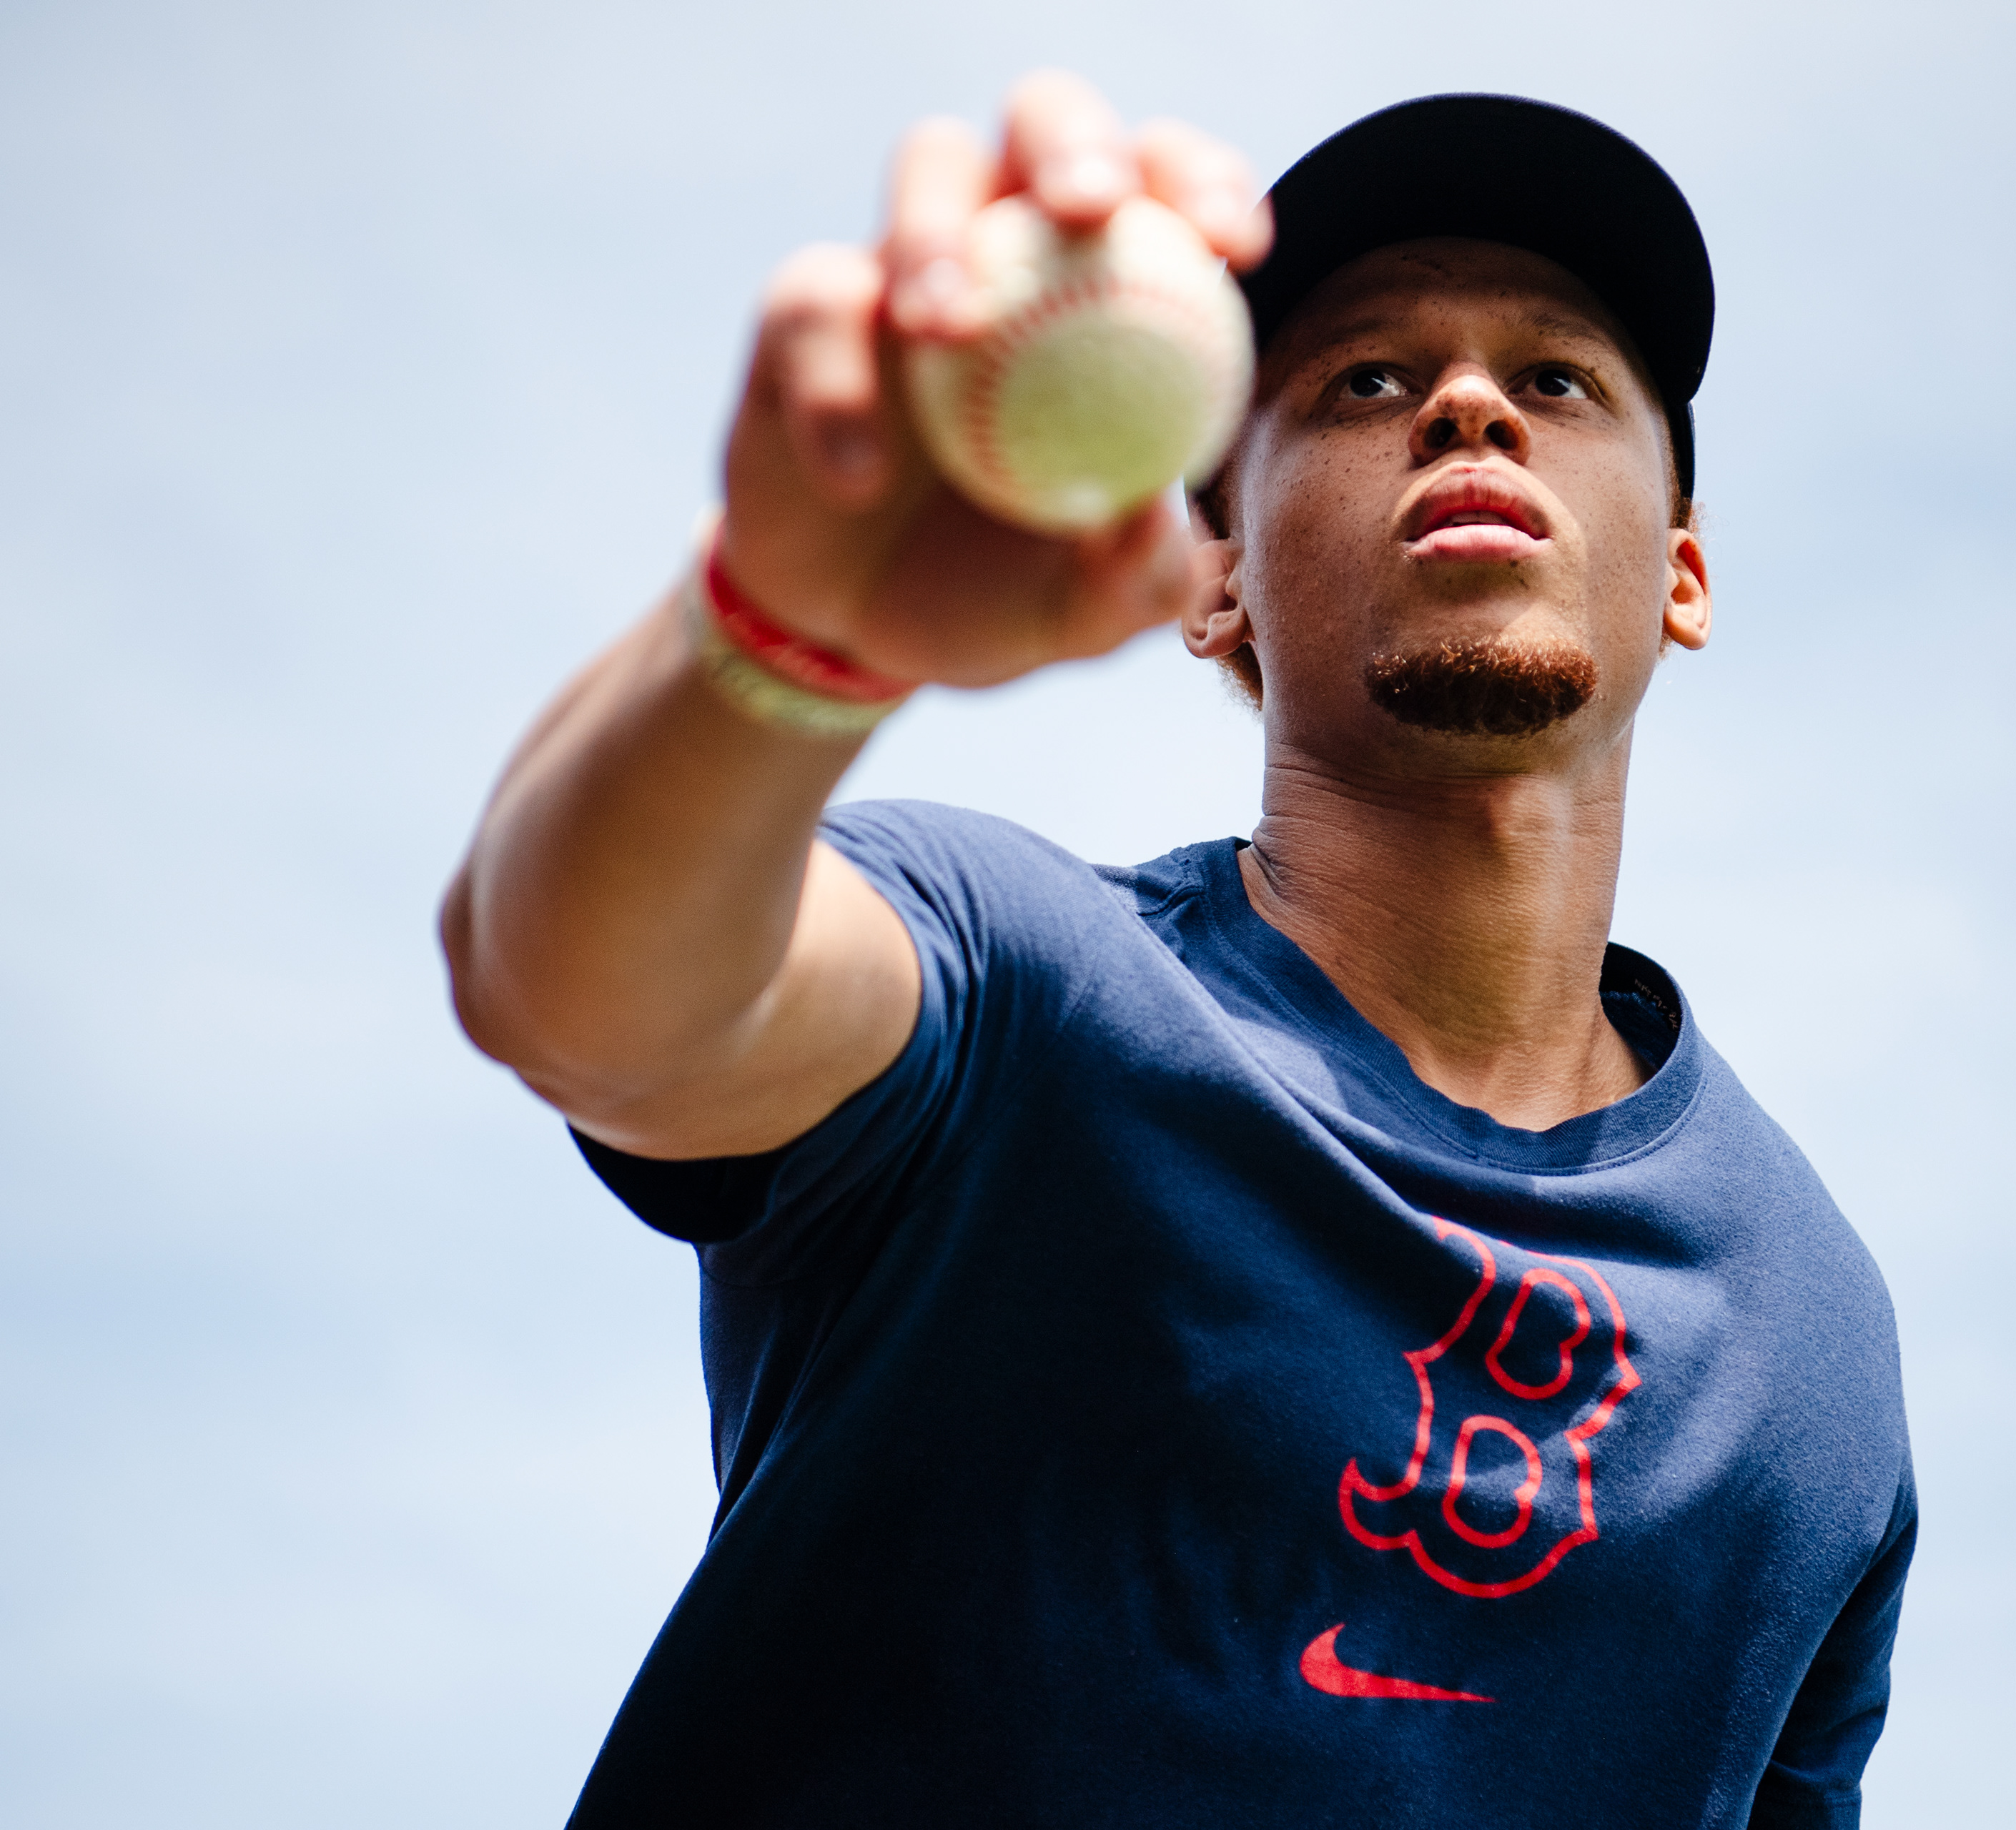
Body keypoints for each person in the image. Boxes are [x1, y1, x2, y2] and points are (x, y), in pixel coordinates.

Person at [443, 71, 1914, 1830]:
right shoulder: (1024, 990)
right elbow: (581, 995)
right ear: (1216, 576)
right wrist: (788, 635)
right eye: (1366, 380)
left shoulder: (1810, 1333)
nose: (1465, 405)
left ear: (1680, 572)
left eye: (1557, 380)